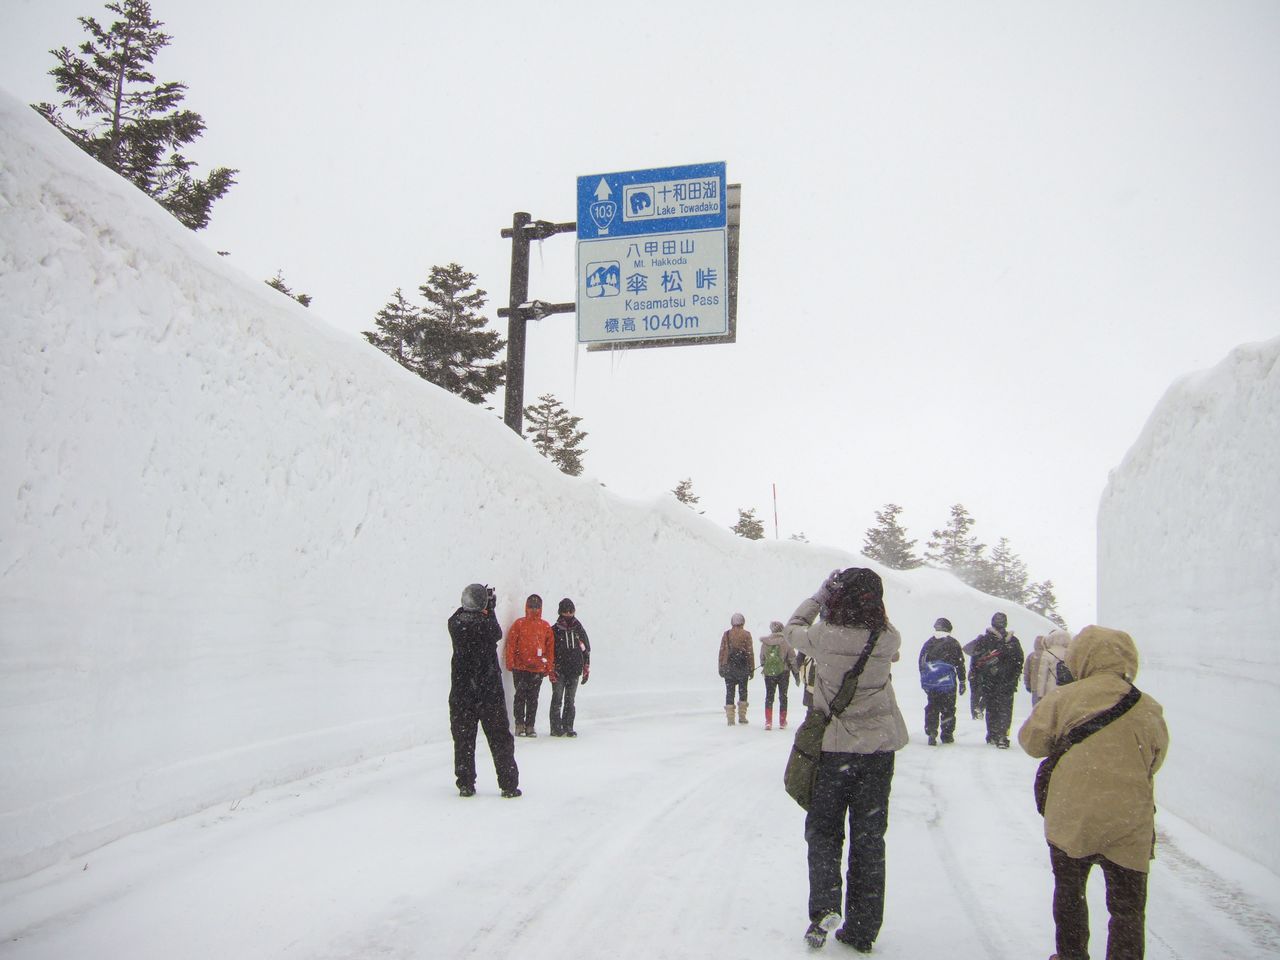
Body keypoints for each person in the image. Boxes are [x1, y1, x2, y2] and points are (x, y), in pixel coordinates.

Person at [1018, 626, 1169, 960]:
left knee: (1070, 893)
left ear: (1080, 657)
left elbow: (1032, 743)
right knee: (1127, 909)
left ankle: (1072, 955)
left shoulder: (1063, 698)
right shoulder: (1147, 706)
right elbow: (1155, 760)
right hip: (1128, 820)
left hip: (1073, 815)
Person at [785, 568, 908, 953]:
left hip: (834, 750)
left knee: (824, 831)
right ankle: (863, 928)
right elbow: (884, 627)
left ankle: (825, 907)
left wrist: (820, 596)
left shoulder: (823, 637)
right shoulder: (887, 639)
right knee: (870, 839)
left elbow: (792, 628)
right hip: (878, 754)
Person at [448, 583, 521, 798]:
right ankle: (508, 784)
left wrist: (481, 607)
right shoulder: (487, 626)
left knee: (464, 741)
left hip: (462, 693)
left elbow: (458, 615)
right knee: (500, 740)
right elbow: (495, 631)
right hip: (489, 693)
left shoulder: (455, 624)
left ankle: (465, 783)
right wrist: (490, 608)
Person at [967, 612, 1025, 748]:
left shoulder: (984, 640)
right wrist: (1014, 675)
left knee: (991, 708)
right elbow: (1019, 660)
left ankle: (992, 734)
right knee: (1005, 709)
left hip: (989, 681)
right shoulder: (1013, 641)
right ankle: (1002, 735)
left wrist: (977, 678)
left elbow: (975, 661)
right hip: (1008, 682)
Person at [505, 594, 555, 737]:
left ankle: (530, 726)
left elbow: (550, 648)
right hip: (520, 668)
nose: (534, 609)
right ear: (527, 607)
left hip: (537, 669)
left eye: (537, 606)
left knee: (533, 699)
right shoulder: (519, 624)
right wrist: (510, 662)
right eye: (532, 606)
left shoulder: (545, 626)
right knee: (520, 697)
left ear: (541, 608)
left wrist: (548, 666)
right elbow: (511, 643)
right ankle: (520, 725)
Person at [917, 617, 967, 745]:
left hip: (932, 682)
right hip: (948, 683)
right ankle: (947, 734)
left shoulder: (929, 643)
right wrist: (962, 680)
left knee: (932, 706)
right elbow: (960, 663)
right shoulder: (953, 643)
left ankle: (931, 731)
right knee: (948, 708)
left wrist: (924, 679)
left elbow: (921, 662)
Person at [549, 597, 591, 737]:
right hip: (559, 669)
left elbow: (586, 649)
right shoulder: (555, 630)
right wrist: (551, 668)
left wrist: (586, 667)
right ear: (560, 612)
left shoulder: (578, 628)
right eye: (565, 611)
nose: (568, 613)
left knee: (570, 700)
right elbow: (550, 650)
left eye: (571, 610)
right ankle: (555, 727)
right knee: (557, 698)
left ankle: (568, 726)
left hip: (575, 669)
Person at [759, 620, 797, 730]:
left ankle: (768, 722)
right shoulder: (786, 642)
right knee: (783, 696)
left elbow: (762, 658)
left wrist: (767, 666)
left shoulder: (765, 642)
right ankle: (782, 721)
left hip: (769, 673)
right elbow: (792, 658)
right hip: (783, 672)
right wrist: (795, 672)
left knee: (769, 696)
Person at [718, 612, 754, 725]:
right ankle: (742, 716)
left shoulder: (727, 634)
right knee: (743, 691)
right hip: (742, 667)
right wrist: (751, 668)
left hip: (729, 667)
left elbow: (722, 651)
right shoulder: (746, 634)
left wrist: (720, 666)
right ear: (743, 622)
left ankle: (730, 718)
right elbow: (750, 652)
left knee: (730, 692)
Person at [1025, 627, 1072, 706]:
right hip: (1067, 691)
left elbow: (1042, 676)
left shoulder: (1047, 654)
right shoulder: (1071, 654)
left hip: (1051, 691)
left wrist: (1040, 695)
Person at [962, 632, 987, 720]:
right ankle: (979, 708)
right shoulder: (989, 644)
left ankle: (975, 714)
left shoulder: (976, 645)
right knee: (987, 692)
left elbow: (965, 649)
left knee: (974, 695)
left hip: (973, 673)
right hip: (983, 674)